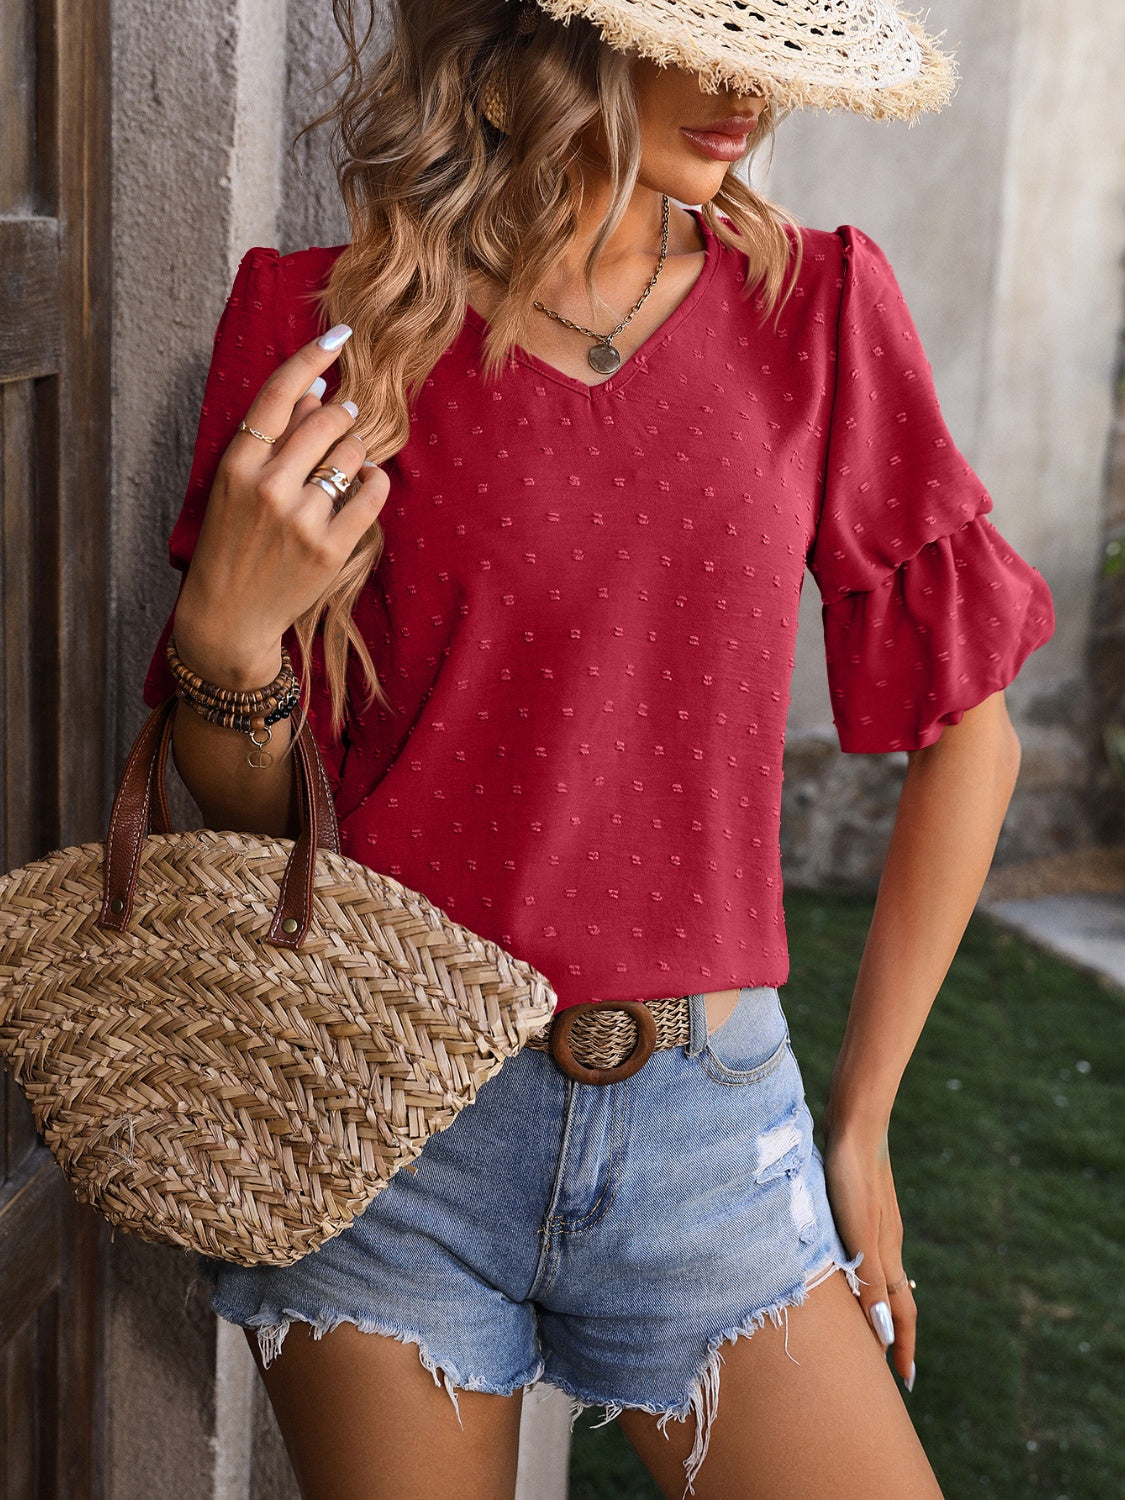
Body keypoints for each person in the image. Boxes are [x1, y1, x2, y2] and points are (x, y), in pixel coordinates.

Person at [143, 2, 1054, 1496]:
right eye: (696, 29)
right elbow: (258, 818)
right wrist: (230, 648)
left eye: (765, 37)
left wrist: (863, 1118)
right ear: (533, 40)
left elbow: (972, 733)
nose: (746, 85)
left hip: (708, 1130)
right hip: (386, 1116)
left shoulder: (816, 309)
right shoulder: (323, 327)